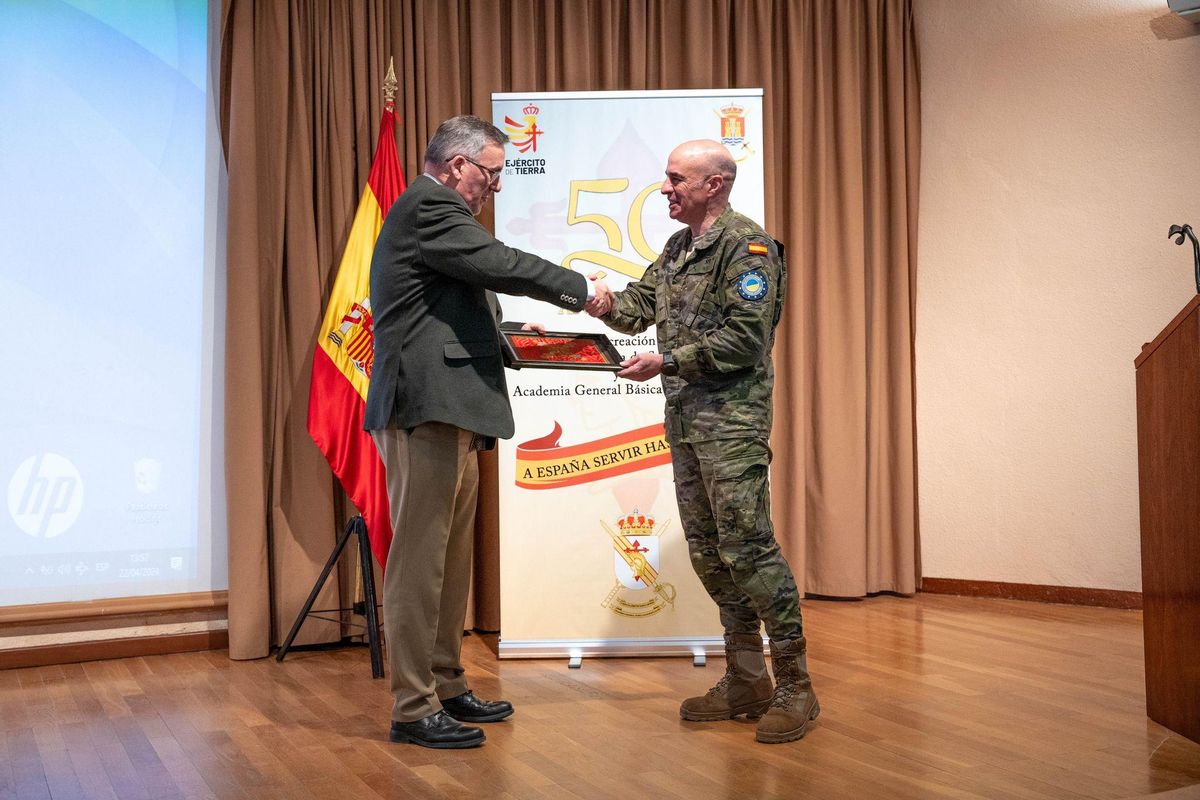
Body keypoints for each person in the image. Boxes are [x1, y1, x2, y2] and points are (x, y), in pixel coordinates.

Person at [364, 115, 606, 749]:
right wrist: (581, 289)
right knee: (420, 561)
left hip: (457, 410)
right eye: (491, 174)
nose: (494, 186)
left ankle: (445, 683)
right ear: (455, 167)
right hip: (425, 409)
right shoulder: (429, 207)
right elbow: (503, 264)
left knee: (448, 557)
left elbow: (464, 314)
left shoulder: (442, 218)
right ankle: (413, 707)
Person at [586, 139, 818, 745]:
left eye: (674, 179)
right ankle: (745, 678)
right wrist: (603, 303)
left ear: (713, 184)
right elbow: (641, 306)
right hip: (688, 422)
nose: (664, 189)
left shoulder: (748, 246)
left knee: (750, 548)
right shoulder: (678, 247)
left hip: (732, 425)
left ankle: (795, 685)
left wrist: (667, 361)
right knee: (709, 551)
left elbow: (746, 340)